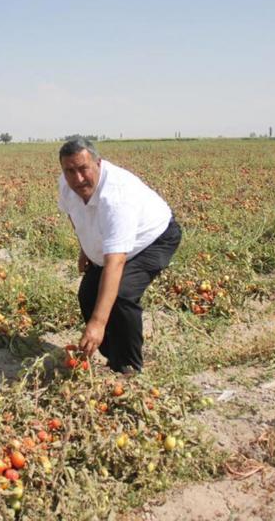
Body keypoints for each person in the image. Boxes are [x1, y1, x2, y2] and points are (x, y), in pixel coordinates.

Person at [58, 138, 180, 374]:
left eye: (83, 169)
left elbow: (115, 262)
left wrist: (98, 323)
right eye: (70, 171)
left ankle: (129, 367)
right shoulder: (66, 185)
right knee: (88, 295)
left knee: (122, 295)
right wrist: (85, 247)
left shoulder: (116, 198)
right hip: (114, 244)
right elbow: (73, 214)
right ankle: (113, 357)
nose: (78, 178)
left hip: (154, 238)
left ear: (98, 163)